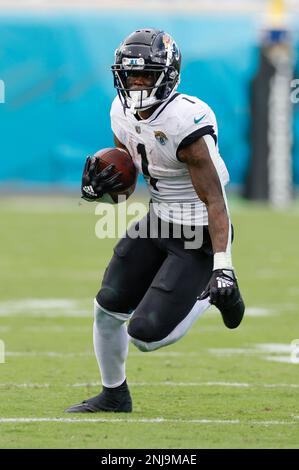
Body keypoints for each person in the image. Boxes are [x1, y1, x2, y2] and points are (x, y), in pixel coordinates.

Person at [65, 28, 245, 413]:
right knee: (108, 306)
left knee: (145, 336)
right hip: (157, 218)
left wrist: (223, 266)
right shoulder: (119, 110)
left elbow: (215, 198)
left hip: (199, 231)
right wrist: (107, 188)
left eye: (147, 74)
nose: (138, 83)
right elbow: (131, 178)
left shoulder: (185, 121)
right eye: (132, 75)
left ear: (168, 75)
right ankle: (115, 394)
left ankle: (209, 296)